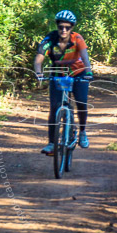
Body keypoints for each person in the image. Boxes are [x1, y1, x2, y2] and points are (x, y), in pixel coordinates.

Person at [33, 10, 93, 154]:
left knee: (81, 102)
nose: (64, 30)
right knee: (54, 107)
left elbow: (85, 57)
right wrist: (38, 73)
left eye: (67, 27)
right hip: (58, 75)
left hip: (78, 74)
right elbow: (39, 58)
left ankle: (83, 132)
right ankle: (52, 143)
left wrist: (89, 72)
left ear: (72, 28)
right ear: (57, 26)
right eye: (61, 27)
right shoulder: (49, 40)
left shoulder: (78, 39)